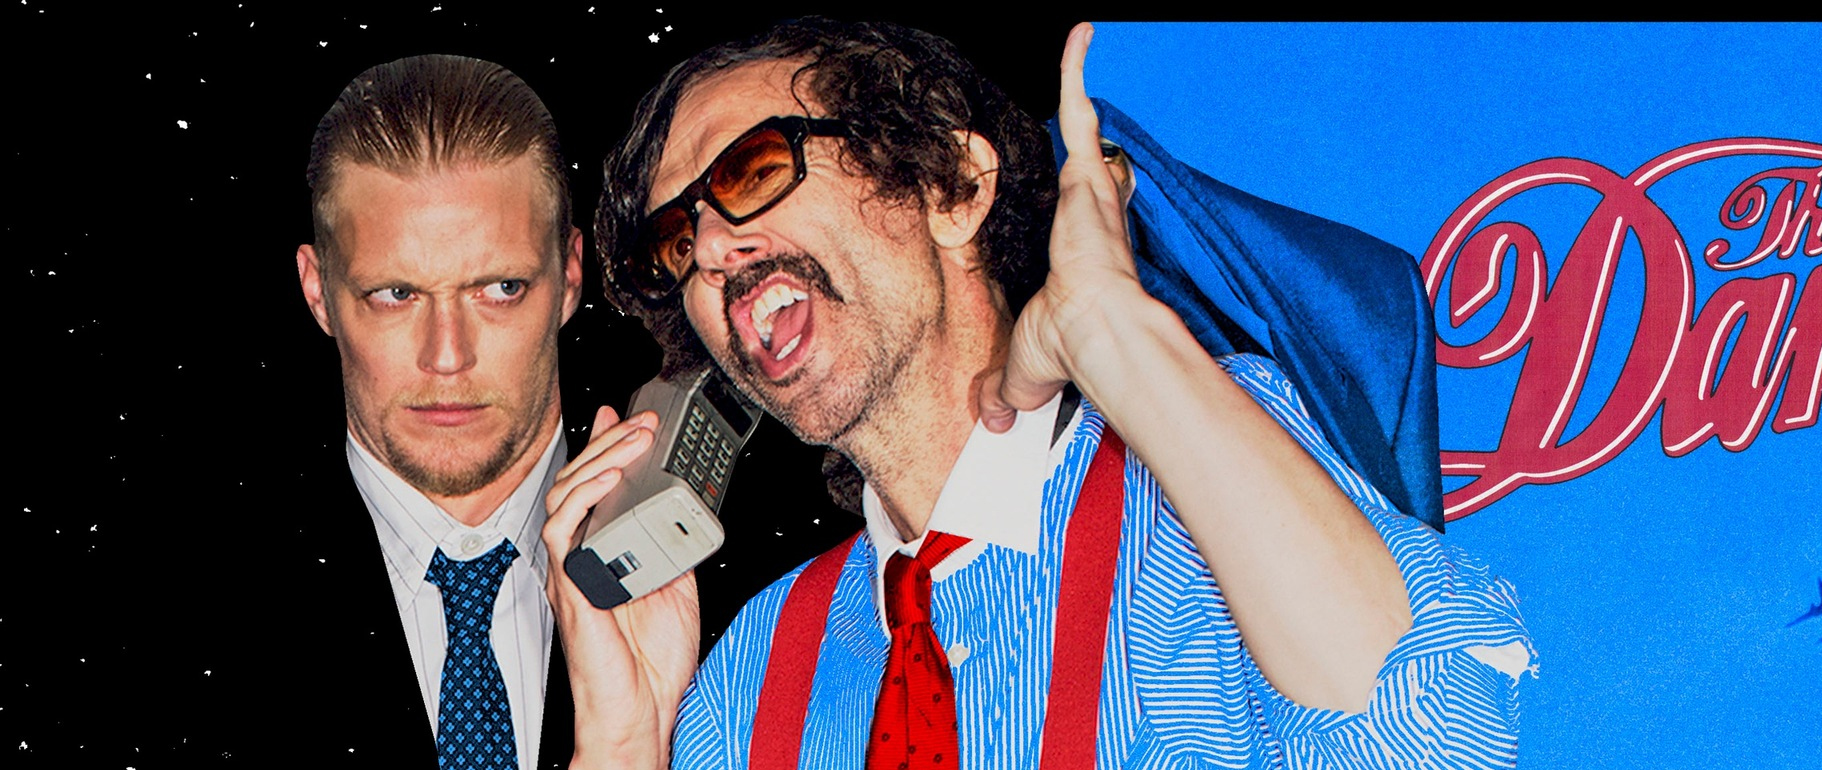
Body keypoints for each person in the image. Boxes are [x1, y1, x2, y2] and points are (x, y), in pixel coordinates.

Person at [543, 19, 1531, 769]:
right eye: (678, 240)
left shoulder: (1195, 487)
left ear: (952, 187)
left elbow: (1435, 732)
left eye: (754, 168)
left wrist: (1122, 338)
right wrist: (625, 741)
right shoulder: (751, 678)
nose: (713, 249)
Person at [279, 53, 582, 769]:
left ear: (570, 276)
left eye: (501, 288)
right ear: (318, 293)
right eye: (395, 294)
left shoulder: (750, 591)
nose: (448, 356)